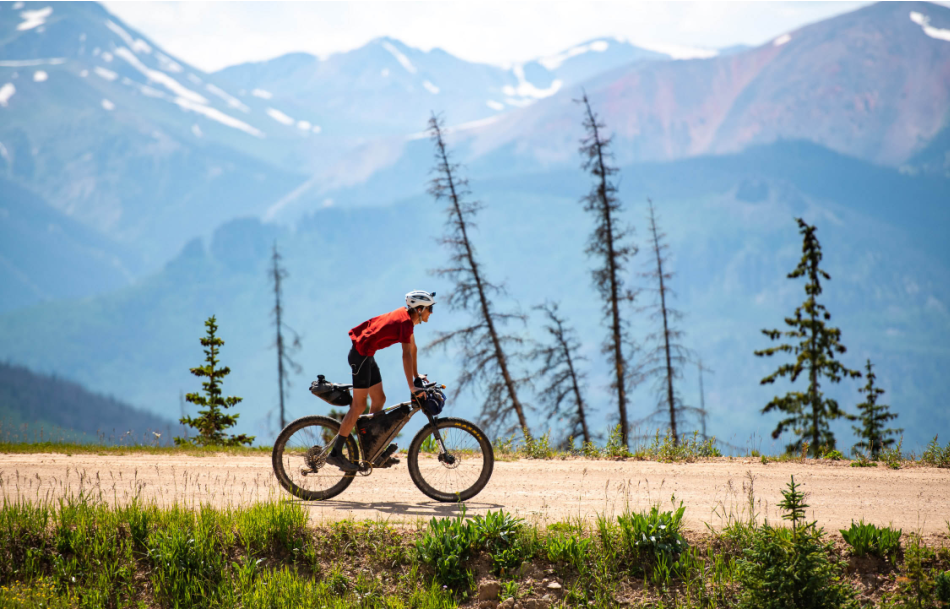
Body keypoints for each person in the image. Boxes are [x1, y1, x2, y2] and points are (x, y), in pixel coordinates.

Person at [326, 290, 436, 472]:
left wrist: (417, 376)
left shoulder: (408, 321)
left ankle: (372, 451)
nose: (431, 312)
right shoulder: (405, 323)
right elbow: (406, 355)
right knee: (359, 405)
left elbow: (413, 349)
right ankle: (336, 453)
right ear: (420, 309)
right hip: (360, 355)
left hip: (366, 355)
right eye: (430, 309)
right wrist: (411, 385)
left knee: (379, 399)